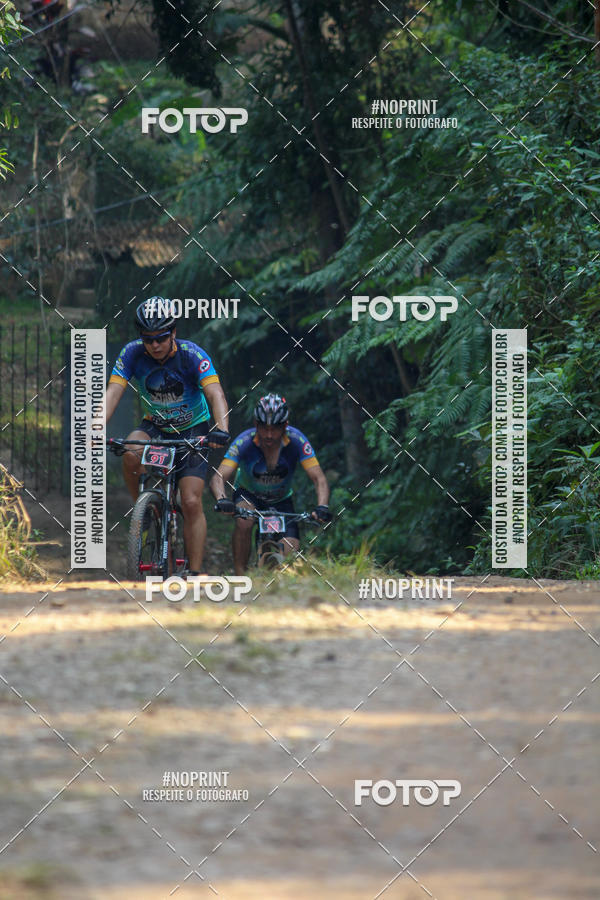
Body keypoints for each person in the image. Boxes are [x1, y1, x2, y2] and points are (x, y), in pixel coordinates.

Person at [105, 297, 229, 574]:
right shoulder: (132, 353)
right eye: (148, 339)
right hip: (156, 426)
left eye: (161, 337)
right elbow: (113, 392)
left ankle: (194, 573)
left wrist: (221, 429)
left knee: (191, 501)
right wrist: (95, 427)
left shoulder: (192, 354)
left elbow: (215, 393)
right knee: (130, 451)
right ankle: (143, 511)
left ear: (174, 332)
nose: (155, 345)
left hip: (193, 430)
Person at [210, 393, 331, 574]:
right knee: (244, 521)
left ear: (285, 426)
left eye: (275, 429)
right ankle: (240, 574)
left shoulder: (297, 440)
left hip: (281, 499)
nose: (269, 435)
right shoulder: (244, 441)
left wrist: (322, 506)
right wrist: (222, 499)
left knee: (291, 555)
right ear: (255, 424)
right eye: (264, 428)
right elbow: (218, 477)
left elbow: (319, 478)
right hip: (248, 494)